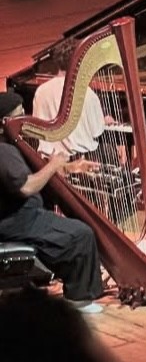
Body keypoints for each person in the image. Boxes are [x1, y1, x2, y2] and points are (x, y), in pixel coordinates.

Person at [0, 101, 106, 313]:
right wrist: (53, 165)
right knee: (81, 234)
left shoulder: (11, 145)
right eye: (19, 116)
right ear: (4, 122)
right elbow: (26, 186)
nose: (26, 120)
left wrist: (69, 168)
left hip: (24, 216)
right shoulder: (3, 150)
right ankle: (79, 300)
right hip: (17, 221)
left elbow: (36, 171)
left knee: (70, 229)